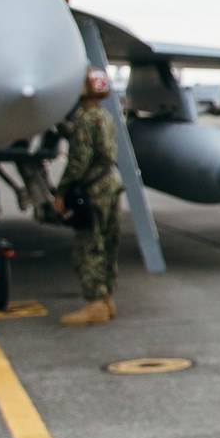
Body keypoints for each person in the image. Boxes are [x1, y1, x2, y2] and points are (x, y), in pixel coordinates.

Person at [57, 68, 123, 325]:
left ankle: (94, 303)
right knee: (108, 243)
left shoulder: (85, 119)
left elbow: (79, 160)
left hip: (93, 190)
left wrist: (62, 191)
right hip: (110, 184)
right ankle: (107, 299)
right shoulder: (103, 116)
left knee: (89, 246)